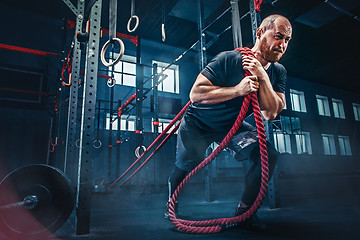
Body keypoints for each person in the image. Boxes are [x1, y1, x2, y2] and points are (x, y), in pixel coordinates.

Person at [165, 14, 292, 231]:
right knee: (185, 165)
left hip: (231, 127)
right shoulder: (230, 59)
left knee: (268, 155)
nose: (282, 45)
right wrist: (237, 90)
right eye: (278, 37)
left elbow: (271, 113)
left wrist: (261, 74)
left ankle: (243, 213)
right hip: (198, 124)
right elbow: (195, 93)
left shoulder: (278, 72)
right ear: (261, 33)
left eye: (287, 40)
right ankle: (171, 207)